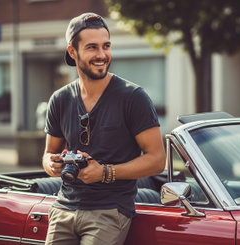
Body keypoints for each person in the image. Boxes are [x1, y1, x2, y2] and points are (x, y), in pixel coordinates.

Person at [42, 12, 165, 245]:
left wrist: (105, 172)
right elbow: (48, 154)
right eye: (92, 47)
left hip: (109, 211)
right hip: (63, 208)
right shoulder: (59, 100)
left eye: (106, 46)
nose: (102, 55)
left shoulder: (133, 98)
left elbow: (157, 160)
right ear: (72, 52)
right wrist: (51, 163)